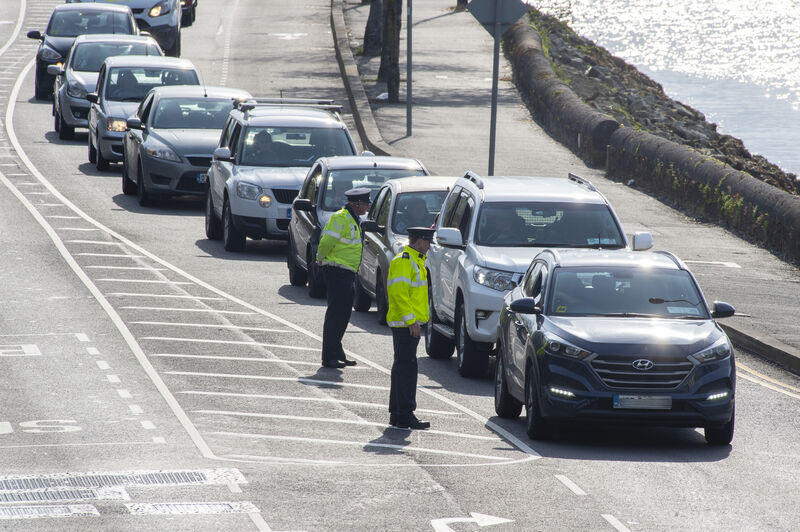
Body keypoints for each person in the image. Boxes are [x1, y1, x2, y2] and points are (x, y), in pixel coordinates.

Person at [316, 187, 371, 369]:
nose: (368, 206)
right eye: (366, 203)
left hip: (346, 273)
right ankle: (329, 356)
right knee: (336, 316)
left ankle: (337, 352)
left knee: (343, 315)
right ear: (356, 204)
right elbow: (326, 242)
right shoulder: (340, 218)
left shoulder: (352, 219)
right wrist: (319, 259)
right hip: (337, 272)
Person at [386, 226, 434, 430]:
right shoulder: (406, 261)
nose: (430, 246)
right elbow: (399, 293)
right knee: (406, 370)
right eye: (428, 242)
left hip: (407, 324)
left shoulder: (414, 261)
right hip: (407, 325)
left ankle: (398, 414)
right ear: (419, 241)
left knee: (402, 368)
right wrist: (411, 320)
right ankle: (405, 414)